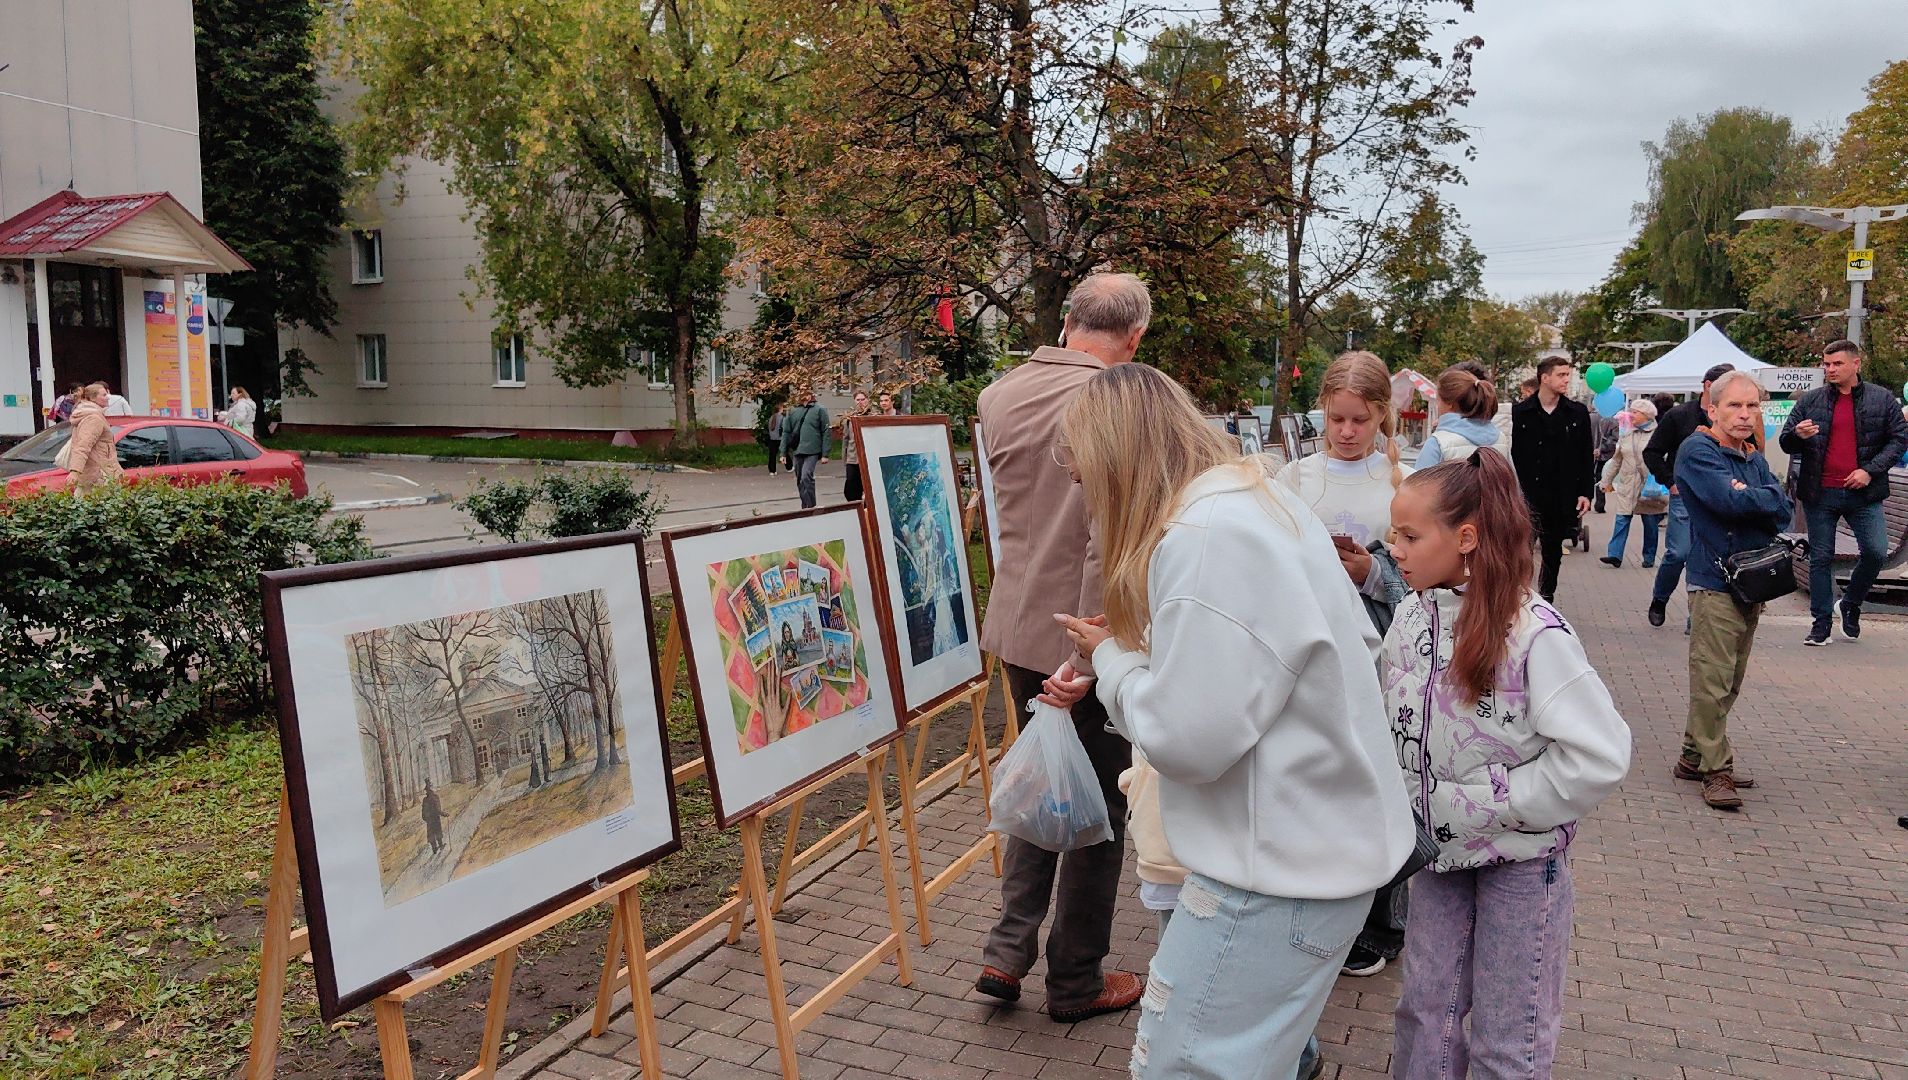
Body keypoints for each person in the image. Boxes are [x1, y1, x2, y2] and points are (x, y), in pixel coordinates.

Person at [1046, 363, 1413, 1079]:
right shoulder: (1251, 502)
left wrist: (1117, 662)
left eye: (1083, 468)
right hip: (1304, 854)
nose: (1081, 488)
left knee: (1182, 1065)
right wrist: (1141, 648)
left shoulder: (1207, 532)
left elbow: (1189, 741)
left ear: (1118, 459)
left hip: (1276, 871)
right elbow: (1271, 662)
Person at [1385, 450, 1632, 1079]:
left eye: (1411, 536)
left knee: (1510, 1028)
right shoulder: (1413, 614)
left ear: (1465, 538)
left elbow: (1599, 755)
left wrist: (1499, 804)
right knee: (1425, 1011)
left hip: (1520, 864)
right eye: (1395, 534)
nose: (1396, 548)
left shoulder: (1534, 633)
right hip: (1437, 856)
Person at [971, 271, 1150, 1024]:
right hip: (1085, 635)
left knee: (1045, 783)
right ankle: (1074, 980)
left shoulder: (999, 394)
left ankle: (1007, 950)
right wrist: (1086, 657)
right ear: (1134, 336)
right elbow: (1101, 543)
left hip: (1015, 627)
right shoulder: (1117, 400)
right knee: (1096, 812)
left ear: (1070, 318)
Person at [1274, 351, 1413, 983]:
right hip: (1308, 654)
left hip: (1386, 656)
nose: (1347, 432)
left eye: (1360, 420)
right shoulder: (1294, 481)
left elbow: (1434, 579)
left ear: (1382, 416)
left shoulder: (1404, 484)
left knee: (1381, 781)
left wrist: (1374, 571)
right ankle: (1316, 914)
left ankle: (1379, 921)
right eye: (1337, 419)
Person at [1675, 370, 1793, 809]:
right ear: (1713, 409)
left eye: (1752, 406)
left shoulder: (1752, 455)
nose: (1745, 415)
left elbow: (1782, 507)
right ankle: (1715, 769)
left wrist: (1753, 496)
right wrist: (1753, 497)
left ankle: (1692, 756)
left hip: (1752, 579)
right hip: (1714, 580)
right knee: (1712, 678)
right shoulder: (1698, 450)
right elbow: (1729, 502)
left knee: (1729, 679)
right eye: (1735, 406)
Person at [1778, 339, 1908, 646]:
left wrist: (1869, 470)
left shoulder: (1881, 399)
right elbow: (1786, 441)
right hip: (1820, 492)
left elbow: (1899, 440)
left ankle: (1850, 603)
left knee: (1876, 551)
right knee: (1821, 557)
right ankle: (1820, 623)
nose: (1830, 369)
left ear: (1855, 364)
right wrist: (1797, 435)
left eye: (1837, 364)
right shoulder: (1810, 400)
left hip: (1863, 493)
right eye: (1826, 364)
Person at [1642, 363, 1735, 628]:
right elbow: (1653, 452)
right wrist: (1670, 481)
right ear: (1709, 386)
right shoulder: (1680, 416)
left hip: (1719, 498)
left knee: (1709, 556)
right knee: (1679, 552)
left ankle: (1698, 617)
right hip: (1684, 496)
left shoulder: (1731, 419)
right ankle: (1660, 598)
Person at [1510, 356, 1594, 603]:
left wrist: (1585, 492)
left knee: (1552, 550)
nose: (1566, 380)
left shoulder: (1576, 413)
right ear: (1544, 378)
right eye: (1561, 375)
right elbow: (1513, 453)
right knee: (1522, 549)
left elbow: (1585, 456)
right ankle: (1518, 595)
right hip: (1526, 494)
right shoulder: (1522, 412)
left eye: (1568, 375)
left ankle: (1546, 597)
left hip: (1561, 494)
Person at [1599, 398, 1670, 568]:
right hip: (1628, 484)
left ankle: (1649, 556)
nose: (1631, 415)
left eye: (1635, 412)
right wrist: (1605, 481)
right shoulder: (1627, 434)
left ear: (1646, 415)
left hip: (1649, 487)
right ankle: (1614, 555)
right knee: (1622, 519)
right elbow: (1616, 461)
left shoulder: (1659, 435)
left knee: (1650, 523)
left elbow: (1665, 459)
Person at [1414, 366, 1503, 467]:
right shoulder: (1501, 439)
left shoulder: (1438, 443)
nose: (1437, 405)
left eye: (1438, 400)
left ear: (1449, 403)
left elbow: (1418, 482)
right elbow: (1512, 480)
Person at [64, 383, 124, 490]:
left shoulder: (90, 414)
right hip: (99, 475)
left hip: (94, 473)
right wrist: (75, 472)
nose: (108, 397)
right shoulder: (94, 418)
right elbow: (83, 446)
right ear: (92, 398)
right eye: (104, 395)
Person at [780, 389, 829, 508]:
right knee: (799, 480)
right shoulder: (792, 410)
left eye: (806, 391)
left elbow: (826, 431)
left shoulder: (820, 409)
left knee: (806, 476)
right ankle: (805, 506)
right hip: (797, 450)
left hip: (813, 450)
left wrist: (825, 454)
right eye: (800, 391)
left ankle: (811, 506)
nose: (803, 394)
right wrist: (783, 453)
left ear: (811, 393)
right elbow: (786, 432)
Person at [841, 390, 871, 502]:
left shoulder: (872, 417)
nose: (860, 402)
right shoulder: (850, 419)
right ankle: (854, 509)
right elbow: (846, 439)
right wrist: (845, 459)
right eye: (858, 400)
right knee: (851, 487)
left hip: (867, 459)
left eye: (863, 399)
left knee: (867, 488)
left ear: (867, 400)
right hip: (852, 458)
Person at [1591, 403, 1619, 513]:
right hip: (1605, 455)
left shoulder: (1589, 418)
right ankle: (1600, 504)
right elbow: (1614, 439)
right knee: (1602, 478)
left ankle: (1586, 501)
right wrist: (1602, 448)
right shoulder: (1613, 421)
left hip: (1590, 453)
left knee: (1588, 477)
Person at [421, 782, 446, 855]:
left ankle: (434, 849)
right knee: (437, 832)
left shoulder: (425, 799)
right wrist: (443, 814)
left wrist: (426, 818)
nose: (427, 791)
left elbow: (423, 813)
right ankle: (440, 846)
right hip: (435, 818)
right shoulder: (435, 797)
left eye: (427, 790)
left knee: (431, 834)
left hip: (429, 820)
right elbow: (438, 810)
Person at [764, 403, 785, 474]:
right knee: (784, 452)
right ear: (780, 409)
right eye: (782, 408)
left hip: (772, 438)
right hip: (780, 438)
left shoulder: (771, 417)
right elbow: (784, 427)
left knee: (772, 455)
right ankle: (789, 466)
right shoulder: (782, 417)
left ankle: (772, 470)